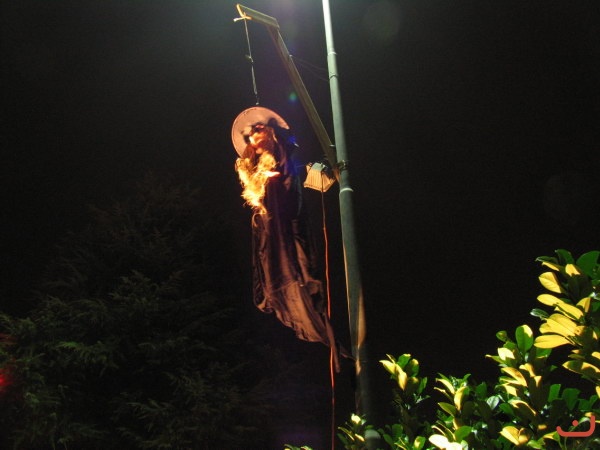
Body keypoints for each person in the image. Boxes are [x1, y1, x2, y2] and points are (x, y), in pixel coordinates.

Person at [232, 107, 339, 369]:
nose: (254, 136)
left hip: (287, 229)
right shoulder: (253, 170)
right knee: (276, 274)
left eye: (259, 130)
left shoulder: (283, 159)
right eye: (251, 134)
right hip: (269, 233)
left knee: (298, 270)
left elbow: (293, 182)